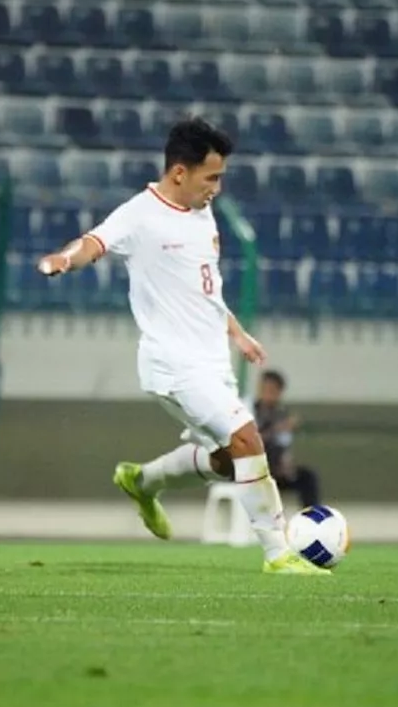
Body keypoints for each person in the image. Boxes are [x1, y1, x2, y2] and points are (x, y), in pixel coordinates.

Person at [37, 117, 327, 575]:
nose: (217, 187)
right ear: (179, 173)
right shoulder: (140, 213)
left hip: (213, 361)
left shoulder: (202, 211)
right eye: (211, 177)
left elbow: (203, 290)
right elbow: (94, 243)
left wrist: (236, 333)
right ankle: (278, 553)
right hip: (173, 363)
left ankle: (143, 480)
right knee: (249, 439)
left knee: (231, 462)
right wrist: (64, 259)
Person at [253, 370, 322, 509]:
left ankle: (310, 520)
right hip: (253, 470)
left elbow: (283, 444)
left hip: (277, 471)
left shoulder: (281, 414)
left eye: (272, 390)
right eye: (264, 389)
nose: (266, 394)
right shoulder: (250, 410)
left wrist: (287, 463)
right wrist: (279, 428)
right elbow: (253, 441)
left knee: (308, 476)